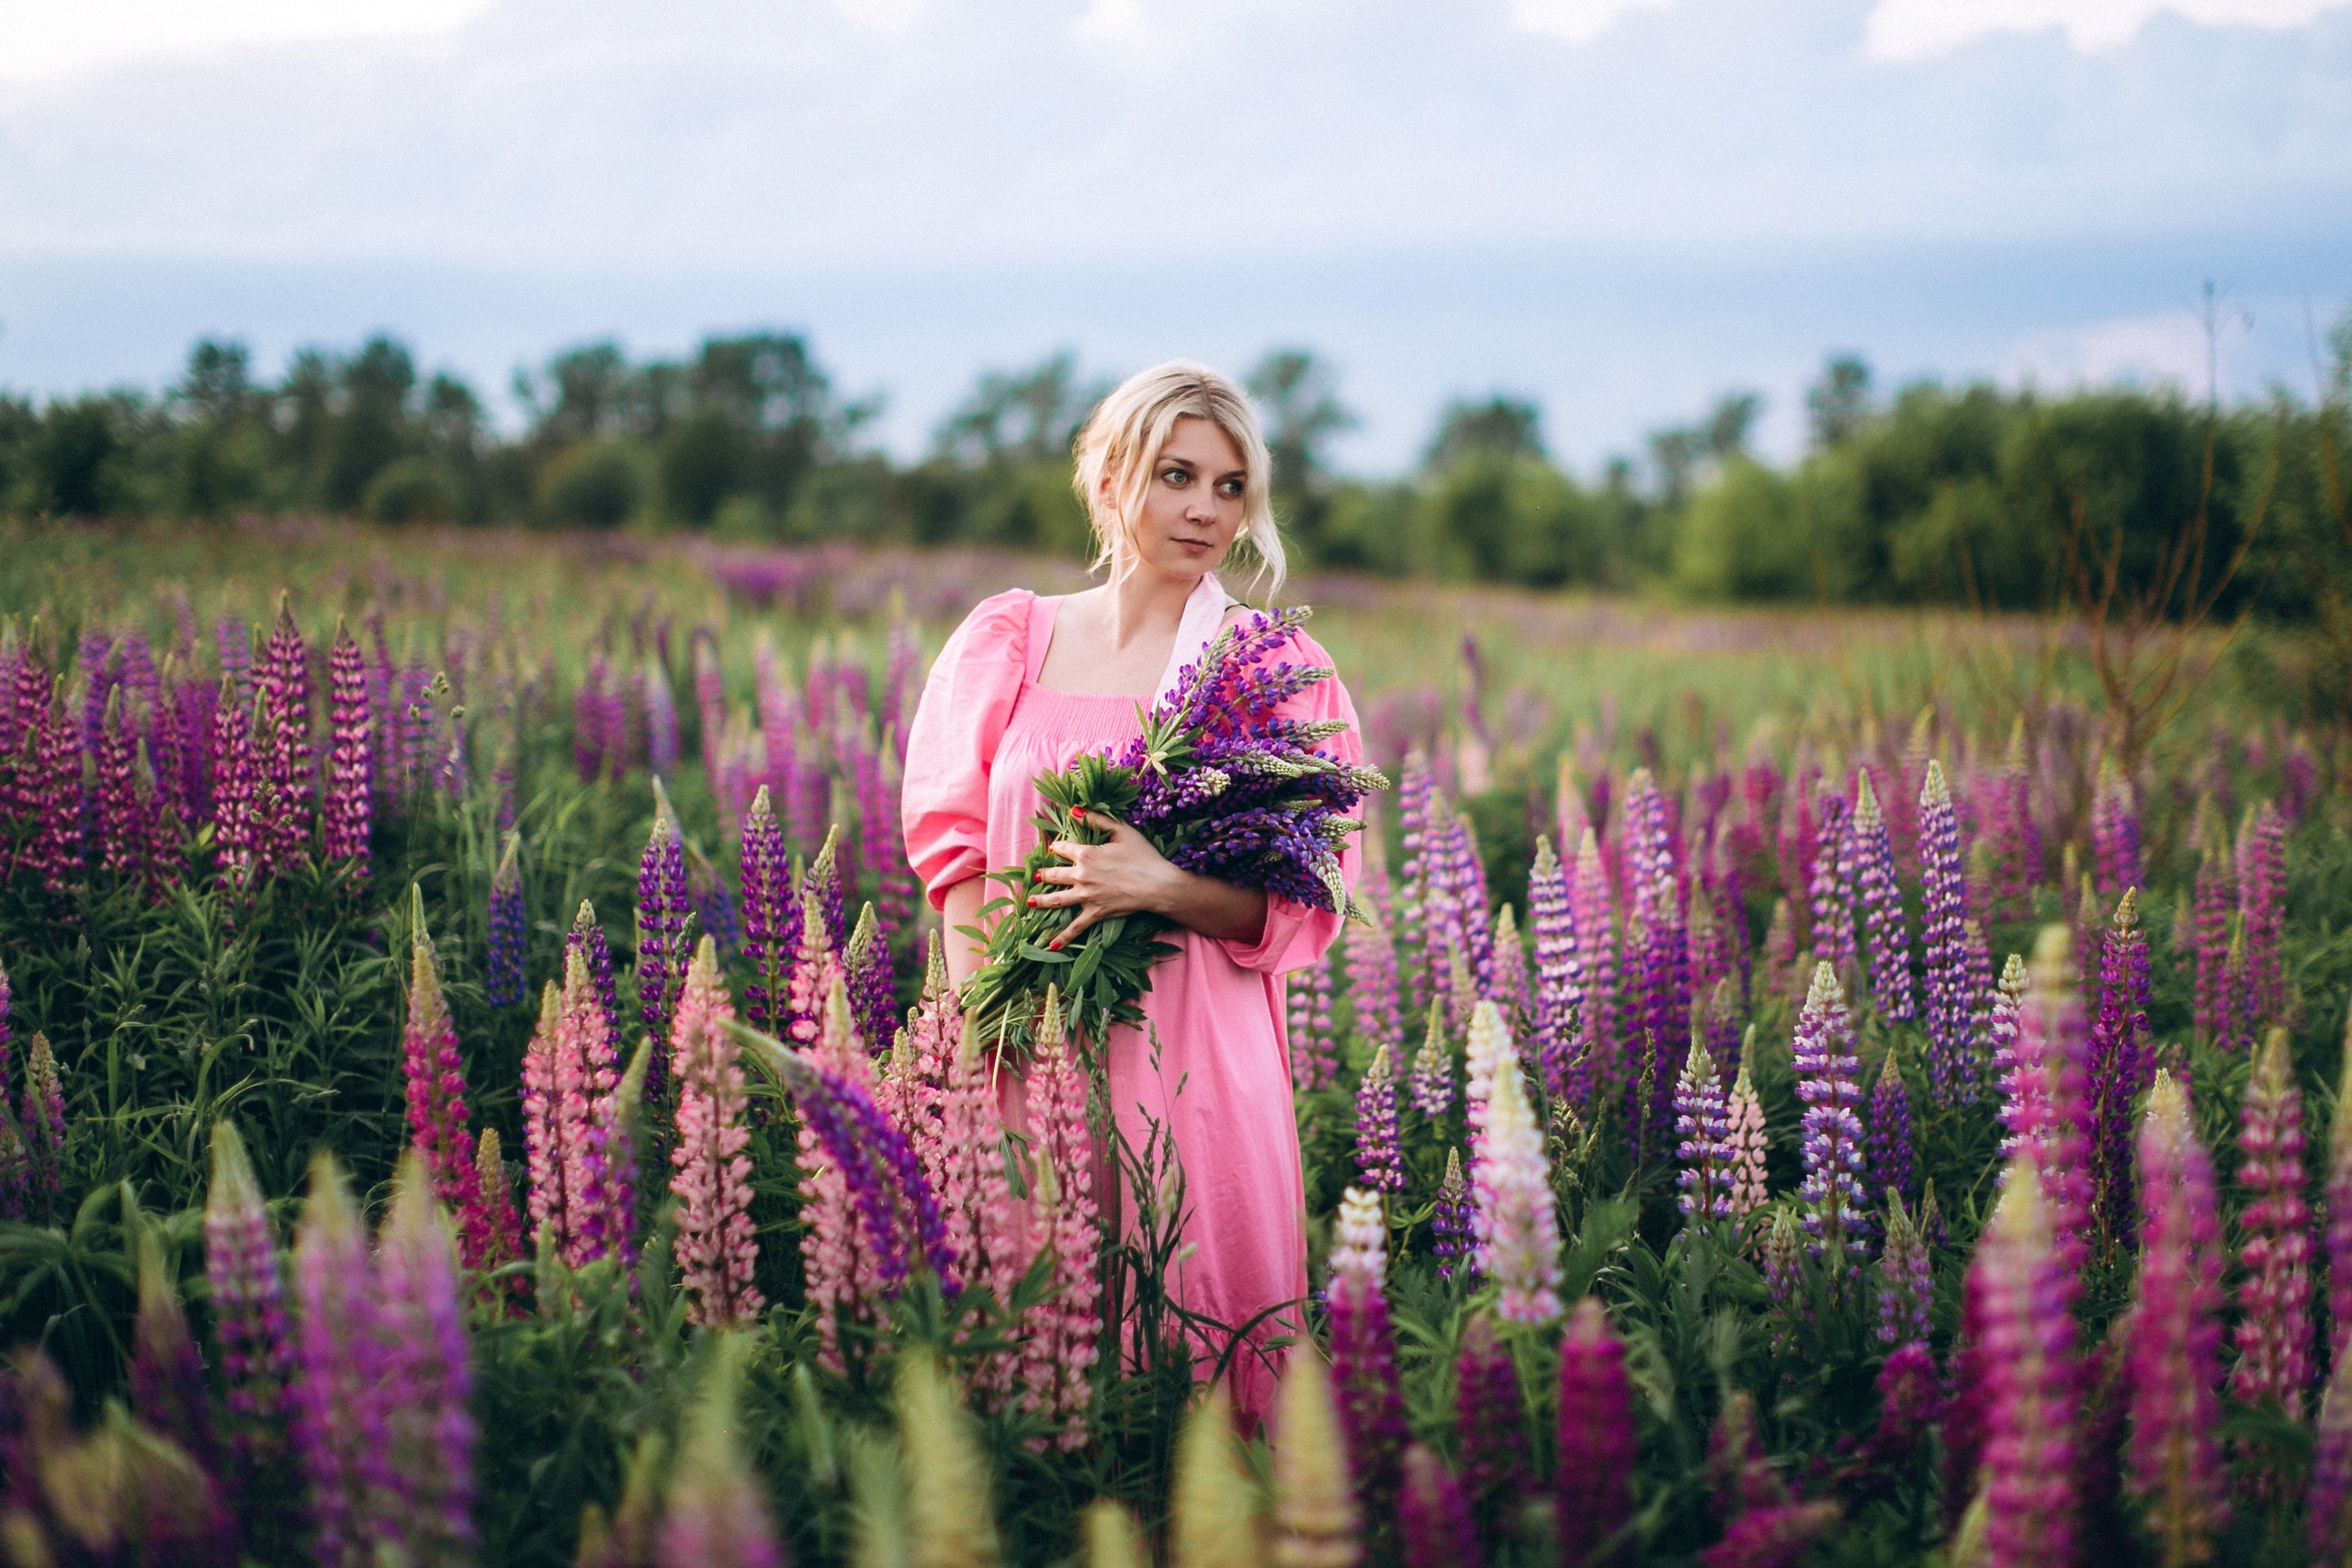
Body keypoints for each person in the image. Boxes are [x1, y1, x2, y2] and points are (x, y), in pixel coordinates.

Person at [899, 359, 1364, 1427]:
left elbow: (1306, 906)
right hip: (1031, 1043)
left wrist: (1161, 884)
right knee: (1036, 1336)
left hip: (1197, 1051)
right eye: (1175, 474)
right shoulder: (1008, 638)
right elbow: (957, 856)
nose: (1204, 507)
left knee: (1194, 1340)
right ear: (1111, 478)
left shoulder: (1271, 662)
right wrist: (984, 1022)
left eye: (1230, 484)